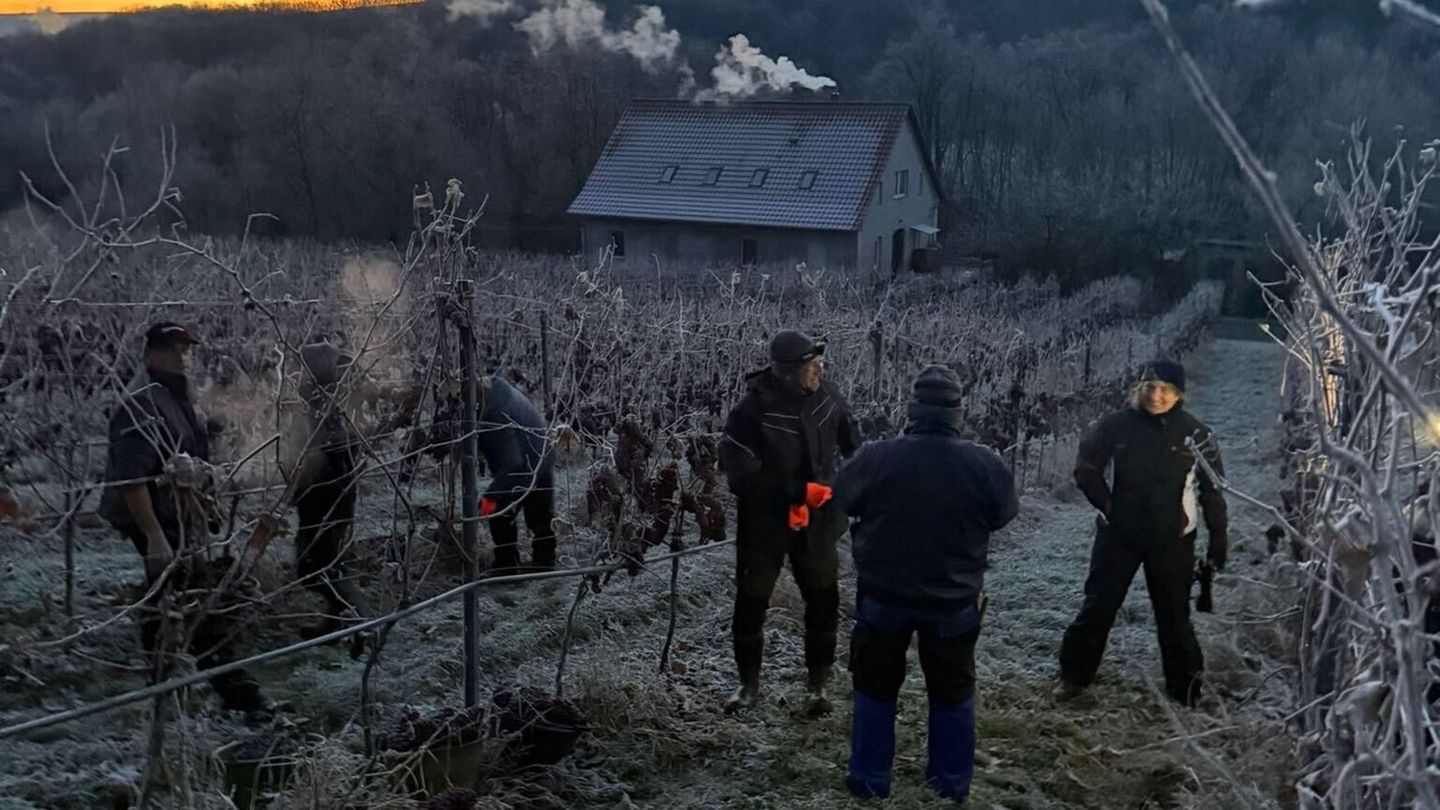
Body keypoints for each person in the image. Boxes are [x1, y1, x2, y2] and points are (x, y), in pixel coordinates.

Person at [836, 366, 1019, 802]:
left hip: (884, 597)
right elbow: (1004, 514)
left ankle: (869, 782)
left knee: (875, 688)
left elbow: (840, 497)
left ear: (912, 409)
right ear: (959, 413)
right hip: (954, 602)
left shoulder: (877, 457)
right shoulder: (985, 464)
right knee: (953, 693)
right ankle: (949, 786)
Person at [99, 321, 272, 723]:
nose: (181, 356)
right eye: (171, 348)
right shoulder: (141, 405)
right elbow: (131, 479)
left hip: (179, 518)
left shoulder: (181, 401)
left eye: (186, 348)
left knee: (173, 598)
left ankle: (166, 687)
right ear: (150, 355)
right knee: (189, 601)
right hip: (156, 519)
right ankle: (236, 696)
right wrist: (154, 536)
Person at [1056, 359, 1228, 706]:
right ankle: (1073, 678)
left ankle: (1186, 691)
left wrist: (1218, 542)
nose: (1156, 395)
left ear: (1179, 394)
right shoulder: (1114, 426)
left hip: (1173, 540)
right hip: (1118, 536)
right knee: (1098, 607)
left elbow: (1212, 492)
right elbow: (1086, 468)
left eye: (1165, 389)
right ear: (1138, 389)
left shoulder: (1197, 435)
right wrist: (1109, 508)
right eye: (1149, 387)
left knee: (1174, 617)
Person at [718, 330, 859, 715]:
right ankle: (747, 687)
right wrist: (794, 492)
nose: (819, 370)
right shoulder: (752, 410)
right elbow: (739, 472)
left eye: (819, 363)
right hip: (765, 521)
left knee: (823, 599)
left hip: (818, 520)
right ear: (786, 371)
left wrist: (848, 493)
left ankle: (818, 687)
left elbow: (856, 450)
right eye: (811, 365)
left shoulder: (828, 399)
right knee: (751, 601)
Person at [289, 342, 366, 639]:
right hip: (332, 498)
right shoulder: (329, 403)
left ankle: (365, 621)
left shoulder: (322, 408)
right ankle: (336, 621)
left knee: (314, 566)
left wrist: (300, 480)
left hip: (324, 500)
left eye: (299, 370)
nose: (294, 376)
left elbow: (316, 457)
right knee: (332, 563)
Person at [478, 373, 556, 574]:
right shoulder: (500, 393)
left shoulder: (497, 413)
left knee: (499, 511)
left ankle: (507, 565)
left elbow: (513, 463)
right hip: (541, 455)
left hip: (527, 463)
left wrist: (489, 497)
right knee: (541, 517)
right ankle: (544, 562)